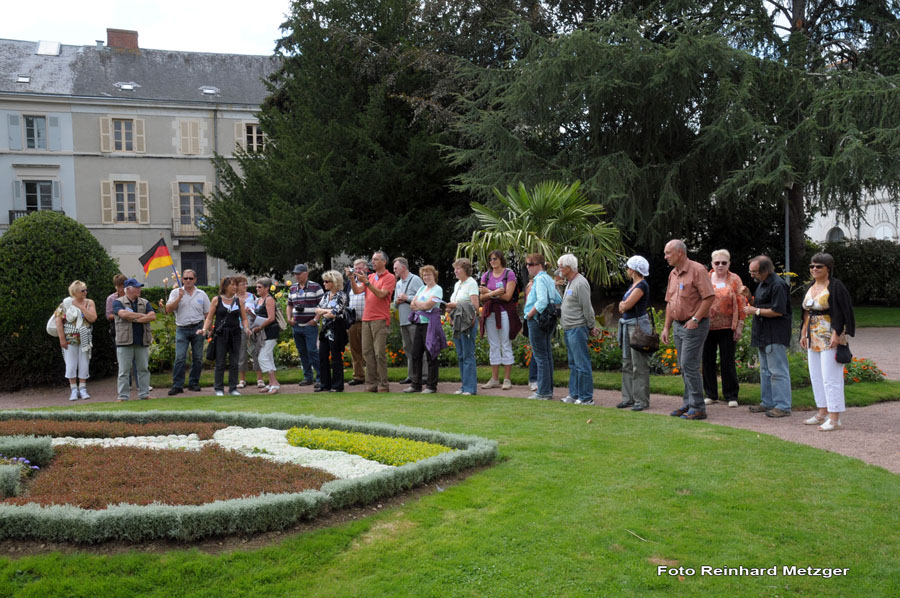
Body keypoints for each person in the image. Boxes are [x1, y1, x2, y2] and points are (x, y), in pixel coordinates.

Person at [800, 253, 855, 431]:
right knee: (816, 376)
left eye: (819, 266)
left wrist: (837, 333)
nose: (814, 269)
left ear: (828, 269)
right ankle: (822, 412)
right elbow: (807, 312)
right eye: (812, 266)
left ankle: (834, 417)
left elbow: (844, 311)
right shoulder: (811, 286)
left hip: (829, 334)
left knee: (831, 377)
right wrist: (803, 334)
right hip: (812, 335)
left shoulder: (836, 286)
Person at [661, 240, 715, 420]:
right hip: (678, 325)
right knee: (684, 366)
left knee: (689, 365)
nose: (665, 256)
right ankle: (688, 403)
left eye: (668, 253)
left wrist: (695, 319)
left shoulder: (697, 270)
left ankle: (698, 407)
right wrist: (666, 327)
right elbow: (670, 302)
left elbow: (709, 297)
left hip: (694, 325)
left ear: (680, 253)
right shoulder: (673, 274)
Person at [743, 255, 792, 417]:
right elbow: (759, 304)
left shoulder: (778, 285)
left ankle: (783, 406)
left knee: (778, 371)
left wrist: (754, 311)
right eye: (750, 272)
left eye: (754, 272)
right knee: (765, 370)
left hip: (774, 333)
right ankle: (768, 402)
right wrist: (749, 295)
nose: (752, 275)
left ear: (765, 270)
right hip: (762, 333)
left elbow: (778, 310)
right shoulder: (762, 284)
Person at [702, 250, 747, 408]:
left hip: (728, 326)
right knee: (707, 360)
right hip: (707, 326)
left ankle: (731, 395)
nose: (720, 265)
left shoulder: (734, 279)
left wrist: (740, 325)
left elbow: (742, 301)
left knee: (728, 361)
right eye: (717, 263)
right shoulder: (706, 278)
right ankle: (710, 394)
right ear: (712, 263)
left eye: (724, 262)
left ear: (729, 263)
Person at [349, 251, 396, 393]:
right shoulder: (370, 276)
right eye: (372, 259)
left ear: (384, 262)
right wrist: (352, 278)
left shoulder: (389, 277)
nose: (373, 262)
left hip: (380, 319)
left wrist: (367, 283)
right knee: (367, 352)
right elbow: (357, 291)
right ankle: (371, 384)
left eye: (376, 259)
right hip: (366, 318)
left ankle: (383, 384)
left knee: (379, 353)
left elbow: (382, 294)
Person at [557, 254, 599, 405]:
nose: (559, 270)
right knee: (574, 363)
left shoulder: (580, 283)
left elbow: (587, 307)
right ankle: (574, 394)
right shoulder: (570, 282)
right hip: (569, 328)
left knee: (582, 363)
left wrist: (591, 325)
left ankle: (586, 397)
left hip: (577, 327)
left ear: (569, 268)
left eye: (561, 267)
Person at [478, 250, 521, 391]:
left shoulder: (509, 274)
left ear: (501, 259)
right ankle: (494, 379)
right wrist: (495, 293)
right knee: (493, 345)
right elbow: (481, 297)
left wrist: (488, 293)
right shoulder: (486, 275)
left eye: (495, 258)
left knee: (505, 343)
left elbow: (508, 296)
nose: (492, 262)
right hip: (490, 313)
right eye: (490, 259)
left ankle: (507, 379)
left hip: (504, 313)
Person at [202, 277, 250, 397]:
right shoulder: (216, 300)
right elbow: (209, 317)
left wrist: (247, 328)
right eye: (232, 285)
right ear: (224, 286)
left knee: (234, 362)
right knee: (220, 362)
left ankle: (233, 388)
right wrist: (204, 329)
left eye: (236, 285)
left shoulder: (239, 301)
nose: (235, 287)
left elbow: (244, 318)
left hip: (235, 334)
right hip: (221, 334)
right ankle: (219, 388)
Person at [165, 269, 210, 395]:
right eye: (185, 278)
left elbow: (208, 314)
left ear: (195, 279)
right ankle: (177, 385)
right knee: (180, 357)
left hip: (198, 327)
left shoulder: (201, 294)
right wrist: (179, 297)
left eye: (191, 278)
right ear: (182, 280)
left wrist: (208, 329)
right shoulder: (175, 292)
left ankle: (193, 383)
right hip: (182, 328)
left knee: (198, 357)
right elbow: (168, 309)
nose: (188, 281)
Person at [524, 253, 561, 400]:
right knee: (546, 355)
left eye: (530, 265)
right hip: (549, 319)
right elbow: (557, 298)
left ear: (539, 265)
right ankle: (547, 389)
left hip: (538, 319)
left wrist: (529, 315)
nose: (528, 267)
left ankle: (543, 392)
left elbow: (541, 302)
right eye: (527, 265)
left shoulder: (539, 280)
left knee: (540, 356)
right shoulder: (548, 279)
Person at [617, 256, 652, 411]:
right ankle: (628, 397)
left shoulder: (641, 286)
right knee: (627, 362)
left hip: (637, 327)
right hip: (629, 325)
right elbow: (623, 306)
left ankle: (641, 400)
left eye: (628, 268)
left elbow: (626, 306)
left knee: (639, 364)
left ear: (633, 270)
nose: (627, 270)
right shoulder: (634, 285)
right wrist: (623, 305)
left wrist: (623, 305)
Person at [113, 278, 156, 401]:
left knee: (143, 369)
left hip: (142, 340)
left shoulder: (144, 302)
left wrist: (135, 318)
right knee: (124, 371)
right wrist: (143, 316)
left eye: (139, 287)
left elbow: (152, 316)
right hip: (124, 341)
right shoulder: (118, 302)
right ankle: (123, 396)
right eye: (136, 287)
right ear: (128, 289)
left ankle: (144, 394)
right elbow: (123, 315)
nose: (139, 289)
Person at [405, 265, 444, 394]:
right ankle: (416, 384)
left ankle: (431, 386)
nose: (426, 277)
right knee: (415, 354)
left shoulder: (437, 289)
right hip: (420, 324)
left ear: (434, 275)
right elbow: (412, 304)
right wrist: (421, 306)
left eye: (429, 274)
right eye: (424, 275)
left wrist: (419, 305)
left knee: (431, 354)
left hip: (430, 325)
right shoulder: (422, 288)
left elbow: (429, 305)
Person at [55, 280, 97, 400]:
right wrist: (61, 338)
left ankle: (83, 389)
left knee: (84, 362)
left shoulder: (89, 303)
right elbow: (58, 320)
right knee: (71, 364)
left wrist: (81, 307)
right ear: (74, 292)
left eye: (86, 290)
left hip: (84, 337)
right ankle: (73, 389)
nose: (85, 292)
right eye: (82, 291)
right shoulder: (65, 303)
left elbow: (93, 318)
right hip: (70, 338)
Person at [447, 258, 480, 396]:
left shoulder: (471, 283)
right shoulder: (457, 284)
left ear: (465, 269)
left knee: (467, 354)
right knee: (461, 355)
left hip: (467, 322)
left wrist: (455, 305)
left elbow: (475, 306)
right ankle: (464, 386)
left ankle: (470, 388)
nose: (455, 271)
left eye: (458, 268)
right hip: (457, 322)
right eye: (455, 268)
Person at [287, 264, 323, 387]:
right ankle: (308, 377)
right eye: (295, 274)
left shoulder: (315, 287)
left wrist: (316, 319)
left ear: (306, 273)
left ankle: (320, 378)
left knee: (312, 351)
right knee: (302, 352)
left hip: (310, 325)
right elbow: (289, 304)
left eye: (299, 273)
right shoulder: (293, 288)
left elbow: (322, 304)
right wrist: (289, 318)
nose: (296, 276)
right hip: (297, 325)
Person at [313, 270, 349, 393]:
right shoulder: (325, 296)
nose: (324, 283)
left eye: (327, 281)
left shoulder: (341, 295)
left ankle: (337, 385)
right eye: (324, 281)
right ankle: (325, 384)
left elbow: (334, 313)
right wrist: (326, 311)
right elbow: (318, 310)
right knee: (322, 356)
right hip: (325, 329)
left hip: (336, 329)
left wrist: (324, 311)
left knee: (336, 357)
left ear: (334, 282)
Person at [393, 257, 424, 385]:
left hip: (414, 320)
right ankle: (412, 375)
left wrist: (407, 298)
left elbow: (423, 297)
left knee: (419, 349)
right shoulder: (398, 283)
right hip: (403, 321)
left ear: (404, 267)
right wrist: (398, 301)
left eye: (396, 268)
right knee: (408, 349)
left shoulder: (415, 280)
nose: (394, 270)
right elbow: (394, 303)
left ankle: (424, 375)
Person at [252, 278, 281, 394]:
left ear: (267, 288)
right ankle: (272, 383)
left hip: (270, 332)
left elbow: (271, 318)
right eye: (257, 287)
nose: (257, 289)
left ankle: (274, 383)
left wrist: (259, 327)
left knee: (262, 357)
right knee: (268, 357)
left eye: (260, 287)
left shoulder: (269, 300)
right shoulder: (259, 300)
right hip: (262, 333)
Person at [345, 258, 369, 386]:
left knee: (368, 350)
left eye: (360, 268)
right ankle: (358, 376)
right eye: (355, 268)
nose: (357, 270)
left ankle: (371, 375)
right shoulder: (350, 283)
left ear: (366, 269)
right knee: (355, 350)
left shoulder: (370, 281)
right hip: (353, 321)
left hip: (367, 320)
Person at [234, 275, 258, 389]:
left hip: (253, 328)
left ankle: (260, 379)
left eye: (246, 283)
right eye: (243, 284)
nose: (245, 286)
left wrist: (252, 313)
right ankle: (242, 380)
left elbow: (259, 312)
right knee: (241, 355)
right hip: (239, 329)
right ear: (237, 286)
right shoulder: (233, 299)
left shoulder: (252, 297)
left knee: (256, 353)